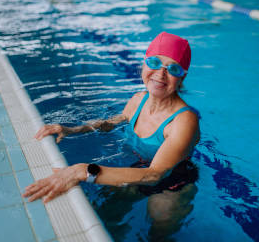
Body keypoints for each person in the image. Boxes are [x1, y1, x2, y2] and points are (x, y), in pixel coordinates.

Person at [23, 32, 200, 238]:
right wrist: (73, 130)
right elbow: (112, 122)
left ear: (182, 77)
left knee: (158, 230)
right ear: (144, 63)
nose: (160, 74)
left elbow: (155, 174)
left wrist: (83, 171)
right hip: (140, 168)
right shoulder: (138, 100)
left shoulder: (184, 120)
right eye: (154, 62)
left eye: (173, 69)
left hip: (174, 183)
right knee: (105, 214)